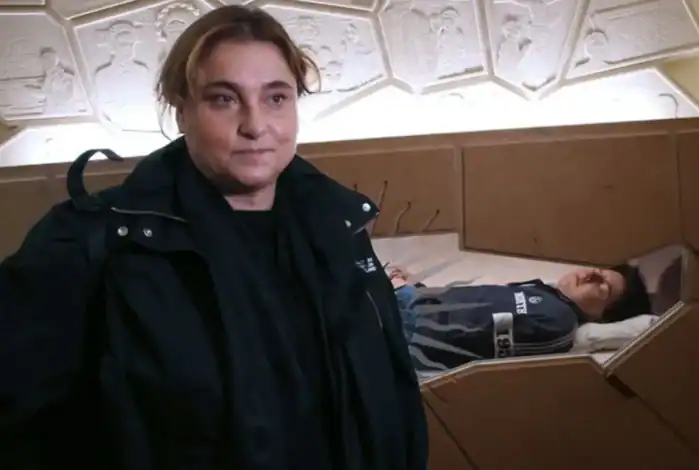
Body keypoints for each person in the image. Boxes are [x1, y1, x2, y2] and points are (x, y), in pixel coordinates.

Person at [0, 6, 427, 470]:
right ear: (180, 108)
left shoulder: (338, 227)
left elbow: (393, 395)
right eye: (224, 99)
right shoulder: (91, 243)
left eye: (276, 98)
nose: (255, 125)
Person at [387, 264, 652, 372]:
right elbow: (465, 303)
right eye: (599, 270)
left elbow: (471, 336)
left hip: (399, 334)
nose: (591, 275)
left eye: (603, 287)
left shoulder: (558, 321)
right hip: (403, 305)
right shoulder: (541, 290)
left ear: (602, 318)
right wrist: (412, 290)